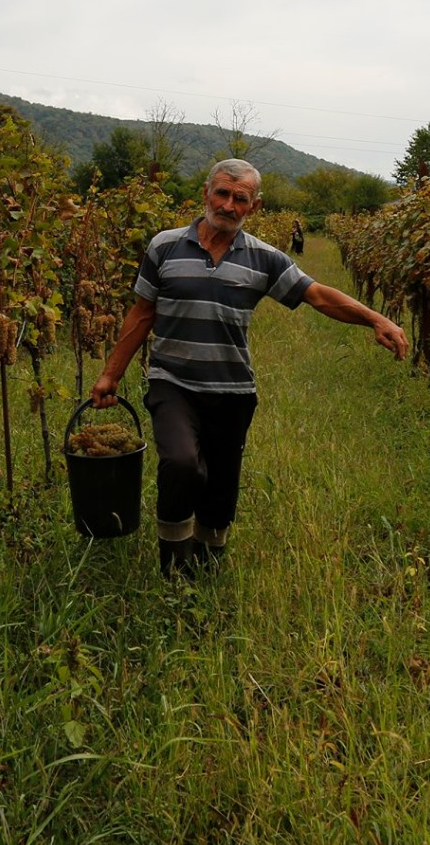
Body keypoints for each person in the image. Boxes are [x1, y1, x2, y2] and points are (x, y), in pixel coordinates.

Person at [89, 159, 409, 574]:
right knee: (181, 464)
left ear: (254, 207)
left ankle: (207, 568)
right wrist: (110, 374)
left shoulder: (265, 258)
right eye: (222, 193)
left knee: (221, 485)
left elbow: (317, 295)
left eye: (240, 199)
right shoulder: (164, 246)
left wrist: (375, 318)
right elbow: (142, 313)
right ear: (206, 193)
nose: (228, 205)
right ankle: (174, 570)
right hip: (172, 382)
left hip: (232, 390)